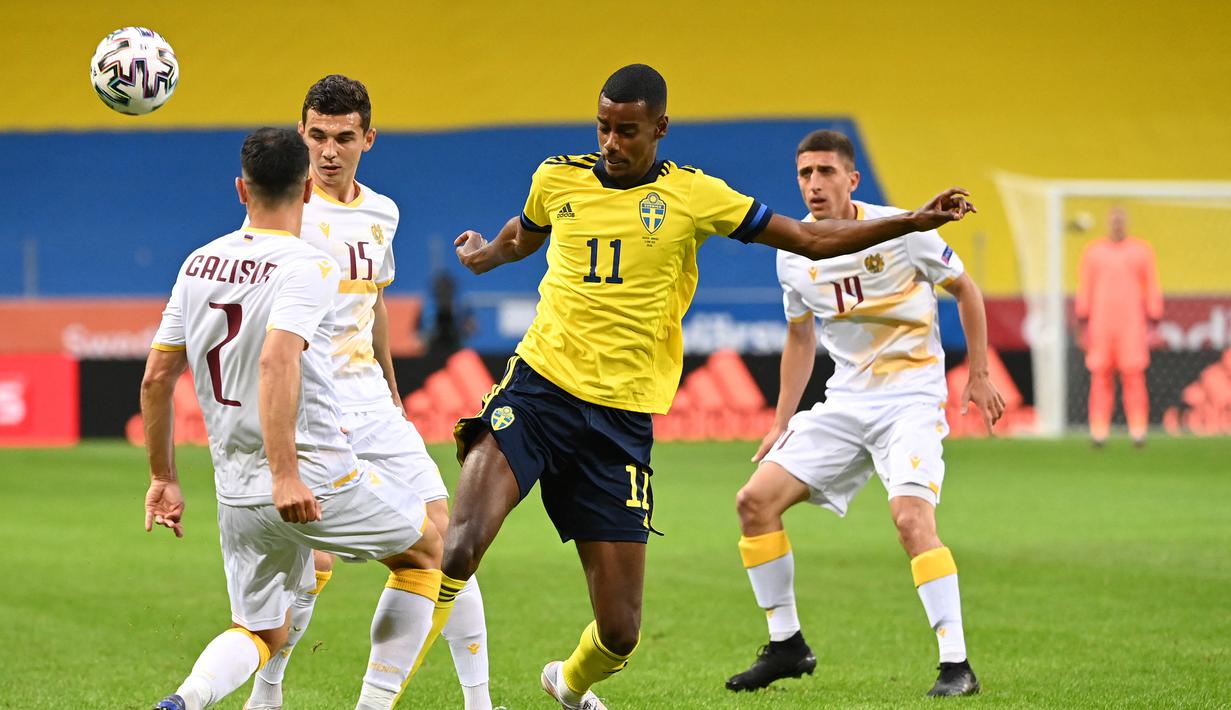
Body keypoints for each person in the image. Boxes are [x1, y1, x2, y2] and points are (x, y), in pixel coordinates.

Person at [439, 65, 976, 710]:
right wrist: (484, 257)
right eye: (604, 127)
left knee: (619, 633)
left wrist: (913, 222)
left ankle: (569, 683)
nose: (611, 142)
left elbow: (808, 238)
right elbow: (522, 234)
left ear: (660, 128)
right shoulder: (558, 177)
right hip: (540, 389)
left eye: (628, 131)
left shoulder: (695, 196)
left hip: (623, 420)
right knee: (459, 547)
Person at [144, 127, 442, 710]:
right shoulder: (308, 266)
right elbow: (279, 359)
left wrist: (162, 478)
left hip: (235, 491)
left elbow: (156, 379)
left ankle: (186, 701)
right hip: (313, 479)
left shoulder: (198, 263)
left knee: (260, 630)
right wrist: (286, 473)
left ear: (240, 190)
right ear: (308, 191)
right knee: (428, 549)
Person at [242, 74, 495, 710]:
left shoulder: (383, 212)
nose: (329, 151)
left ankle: (478, 703)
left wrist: (391, 386)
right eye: (318, 136)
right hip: (313, 409)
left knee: (454, 543)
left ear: (368, 139)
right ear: (302, 134)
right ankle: (266, 692)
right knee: (313, 565)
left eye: (344, 138)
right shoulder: (283, 218)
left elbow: (375, 304)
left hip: (374, 406)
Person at [724, 129, 1002, 698]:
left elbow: (967, 290)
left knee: (909, 521)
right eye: (805, 173)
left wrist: (978, 373)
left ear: (852, 179)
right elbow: (800, 340)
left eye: (826, 171)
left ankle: (957, 666)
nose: (814, 183)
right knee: (754, 503)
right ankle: (787, 646)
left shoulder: (906, 231)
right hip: (846, 404)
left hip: (910, 402)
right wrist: (781, 420)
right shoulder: (793, 254)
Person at [1075, 206, 1162, 447]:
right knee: (1100, 376)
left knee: (1134, 375)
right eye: (1113, 220)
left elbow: (1152, 284)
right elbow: (1085, 286)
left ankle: (1138, 430)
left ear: (1126, 223)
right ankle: (1099, 431)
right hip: (1101, 323)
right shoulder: (1093, 252)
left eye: (1121, 220)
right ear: (1107, 223)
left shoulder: (1141, 251)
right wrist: (1083, 320)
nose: (1117, 224)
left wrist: (1154, 318)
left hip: (1131, 324)